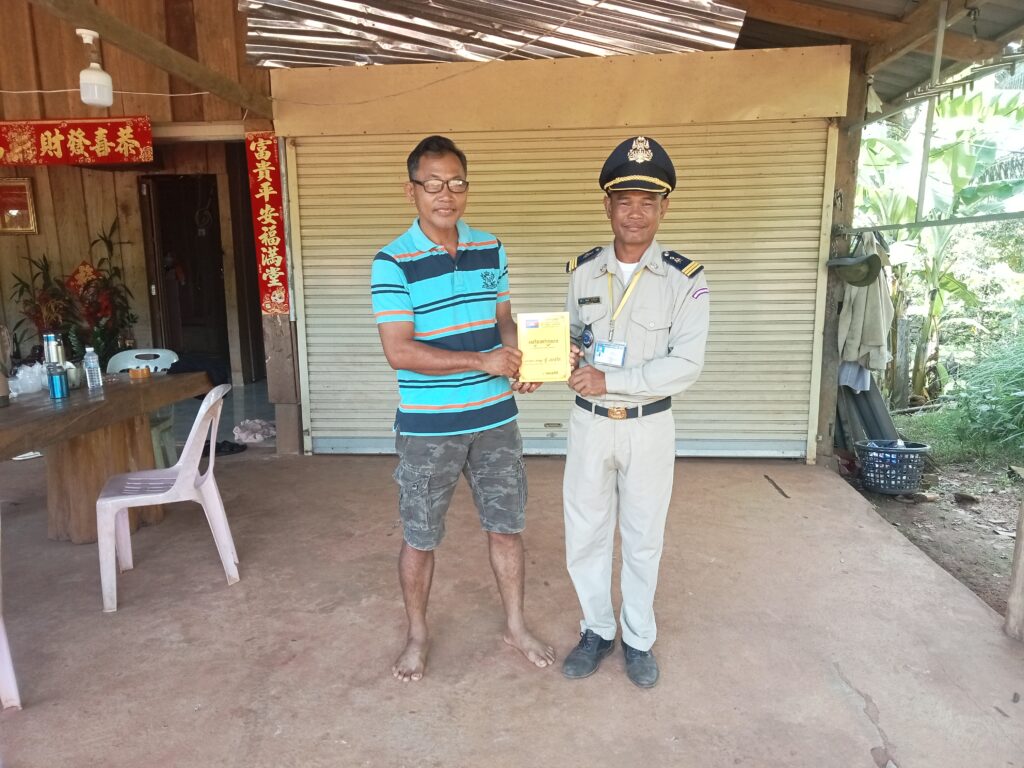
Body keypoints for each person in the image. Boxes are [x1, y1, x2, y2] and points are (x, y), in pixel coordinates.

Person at [370, 135, 554, 682]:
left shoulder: (490, 248)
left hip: (496, 420)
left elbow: (504, 321)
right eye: (432, 184)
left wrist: (523, 358)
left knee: (507, 527)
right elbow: (399, 351)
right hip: (430, 428)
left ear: (466, 188)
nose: (445, 195)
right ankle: (417, 635)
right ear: (411, 190)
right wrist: (483, 361)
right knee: (420, 536)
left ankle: (516, 626)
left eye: (455, 183)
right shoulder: (392, 262)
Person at [561, 136, 710, 688]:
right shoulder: (582, 272)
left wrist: (612, 380)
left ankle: (639, 638)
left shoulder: (686, 279)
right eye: (624, 200)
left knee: (643, 536)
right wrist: (559, 355)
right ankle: (597, 629)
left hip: (649, 427)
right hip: (589, 424)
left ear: (664, 208)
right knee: (586, 532)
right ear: (608, 206)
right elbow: (572, 336)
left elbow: (686, 365)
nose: (635, 212)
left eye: (648, 201)